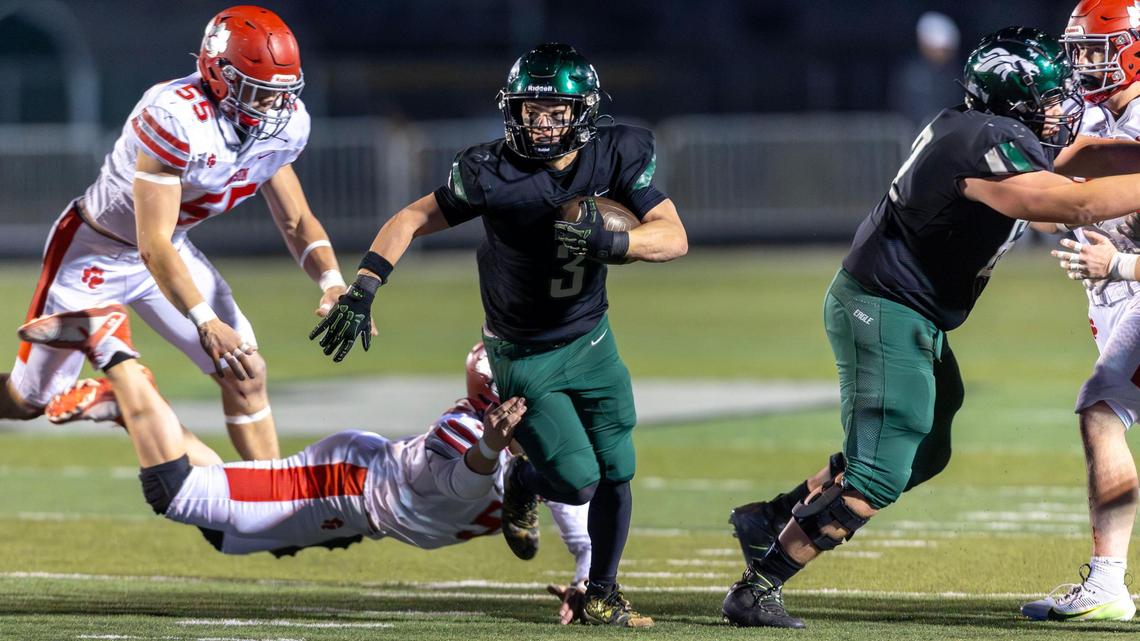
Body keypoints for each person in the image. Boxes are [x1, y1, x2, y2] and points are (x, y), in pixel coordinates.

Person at [721, 26, 1140, 629]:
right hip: (883, 307)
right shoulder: (981, 143)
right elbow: (1070, 204)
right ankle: (757, 587)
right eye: (1049, 97)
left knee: (927, 448)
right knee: (879, 473)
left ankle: (771, 516)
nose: (1061, 107)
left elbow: (1089, 155)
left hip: (905, 309)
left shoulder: (986, 129)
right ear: (1015, 100)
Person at [309, 43, 688, 627]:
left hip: (592, 337)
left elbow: (673, 236)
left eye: (556, 112)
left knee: (619, 468)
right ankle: (523, 478)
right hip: (522, 350)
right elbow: (412, 217)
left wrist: (616, 242)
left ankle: (604, 593)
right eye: (531, 111)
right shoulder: (491, 171)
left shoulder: (616, 153)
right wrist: (364, 285)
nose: (542, 124)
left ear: (582, 112)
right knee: (578, 482)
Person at [16, 305, 592, 621]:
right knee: (174, 493)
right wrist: (492, 449)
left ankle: (129, 406)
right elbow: (462, 485)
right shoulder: (463, 429)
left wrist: (586, 578)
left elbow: (569, 499)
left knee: (224, 532)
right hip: (345, 483)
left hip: (364, 512)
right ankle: (113, 346)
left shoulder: (536, 449)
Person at [0, 5, 352, 461]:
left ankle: (270, 494)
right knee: (29, 401)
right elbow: (153, 243)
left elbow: (297, 221)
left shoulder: (284, 124)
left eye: (281, 92)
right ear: (219, 74)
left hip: (169, 250)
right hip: (95, 253)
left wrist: (331, 281)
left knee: (246, 374)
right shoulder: (176, 117)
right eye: (259, 91)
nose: (274, 106)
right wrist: (206, 321)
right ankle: (114, 382)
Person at [1016, 0, 1140, 622]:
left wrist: (1119, 266)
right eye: (1079, 50)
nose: (1085, 63)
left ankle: (1109, 584)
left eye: (1097, 48)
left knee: (1101, 410)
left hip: (1132, 288)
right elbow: (1055, 208)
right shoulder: (1090, 115)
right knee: (1103, 413)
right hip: (1115, 299)